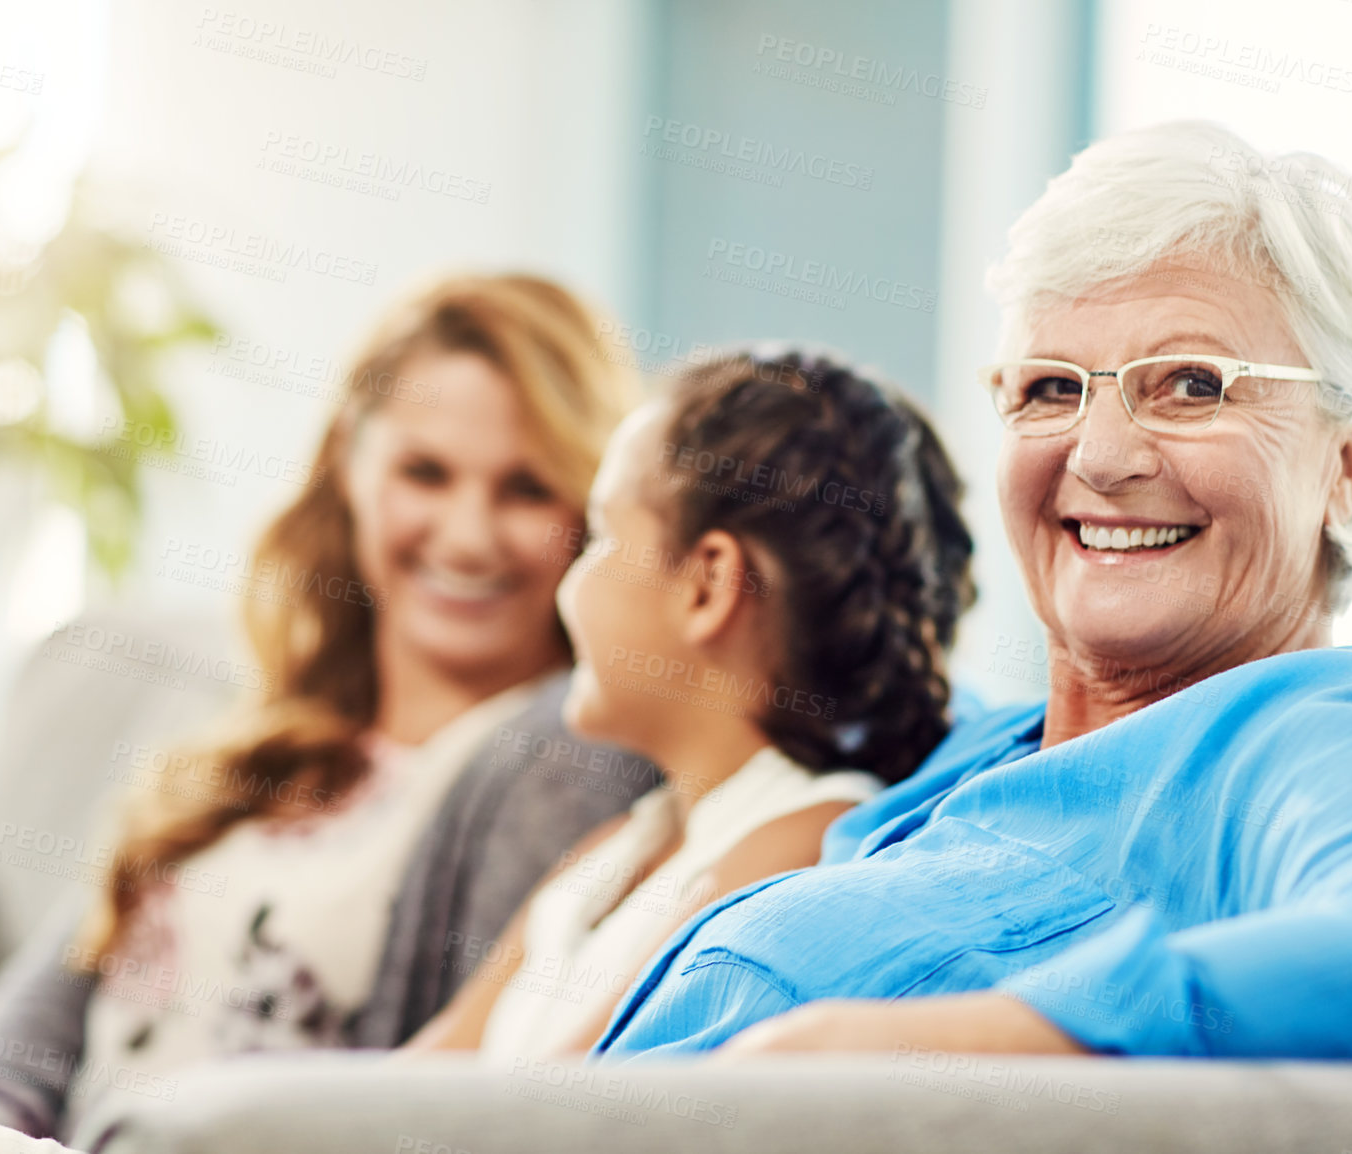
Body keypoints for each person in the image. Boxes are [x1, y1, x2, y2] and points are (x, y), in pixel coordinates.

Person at [592, 121, 1352, 1061]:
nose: (1104, 457)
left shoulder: (1305, 729)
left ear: (1349, 463)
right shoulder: (977, 756)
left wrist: (939, 1056)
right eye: (1050, 390)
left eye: (1193, 385)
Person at [0, 273, 659, 1140]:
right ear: (350, 462)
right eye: (425, 472)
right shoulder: (269, 730)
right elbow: (41, 1020)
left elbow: (446, 1101)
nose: (468, 535)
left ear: (592, 512)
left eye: (527, 489)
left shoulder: (560, 760)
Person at [401, 348, 975, 1059]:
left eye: (604, 536)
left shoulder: (798, 846)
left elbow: (542, 1122)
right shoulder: (622, 845)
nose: (568, 587)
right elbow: (416, 1082)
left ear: (707, 585)